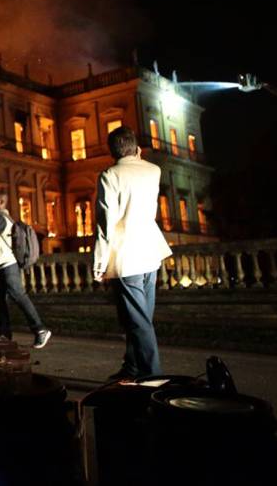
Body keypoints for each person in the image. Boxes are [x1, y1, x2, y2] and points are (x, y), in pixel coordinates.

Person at [93, 126, 172, 381]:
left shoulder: (110, 175)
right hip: (151, 250)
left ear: (112, 151)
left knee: (137, 320)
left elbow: (106, 224)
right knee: (140, 316)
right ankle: (133, 367)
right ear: (137, 149)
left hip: (127, 255)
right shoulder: (153, 170)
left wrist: (99, 262)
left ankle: (152, 376)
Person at [0, 192, 52, 349]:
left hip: (7, 265)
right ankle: (4, 333)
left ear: (1, 201)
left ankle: (40, 329)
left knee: (19, 296)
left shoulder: (0, 218)